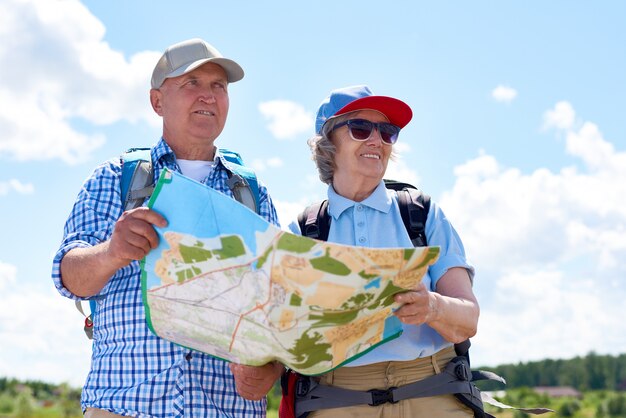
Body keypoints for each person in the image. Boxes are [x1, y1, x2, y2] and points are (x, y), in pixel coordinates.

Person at [52, 38, 283, 418]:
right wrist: (112, 252)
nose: (208, 96)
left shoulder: (252, 195)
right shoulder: (114, 179)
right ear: (157, 101)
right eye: (191, 83)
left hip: (226, 409)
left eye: (218, 87)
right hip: (124, 407)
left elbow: (276, 311)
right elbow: (69, 278)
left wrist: (268, 369)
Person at [289, 85, 480, 417]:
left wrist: (431, 306)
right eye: (361, 128)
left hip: (432, 387)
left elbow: (469, 320)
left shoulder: (422, 214)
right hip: (338, 398)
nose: (377, 140)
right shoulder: (304, 232)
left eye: (388, 132)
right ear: (327, 143)